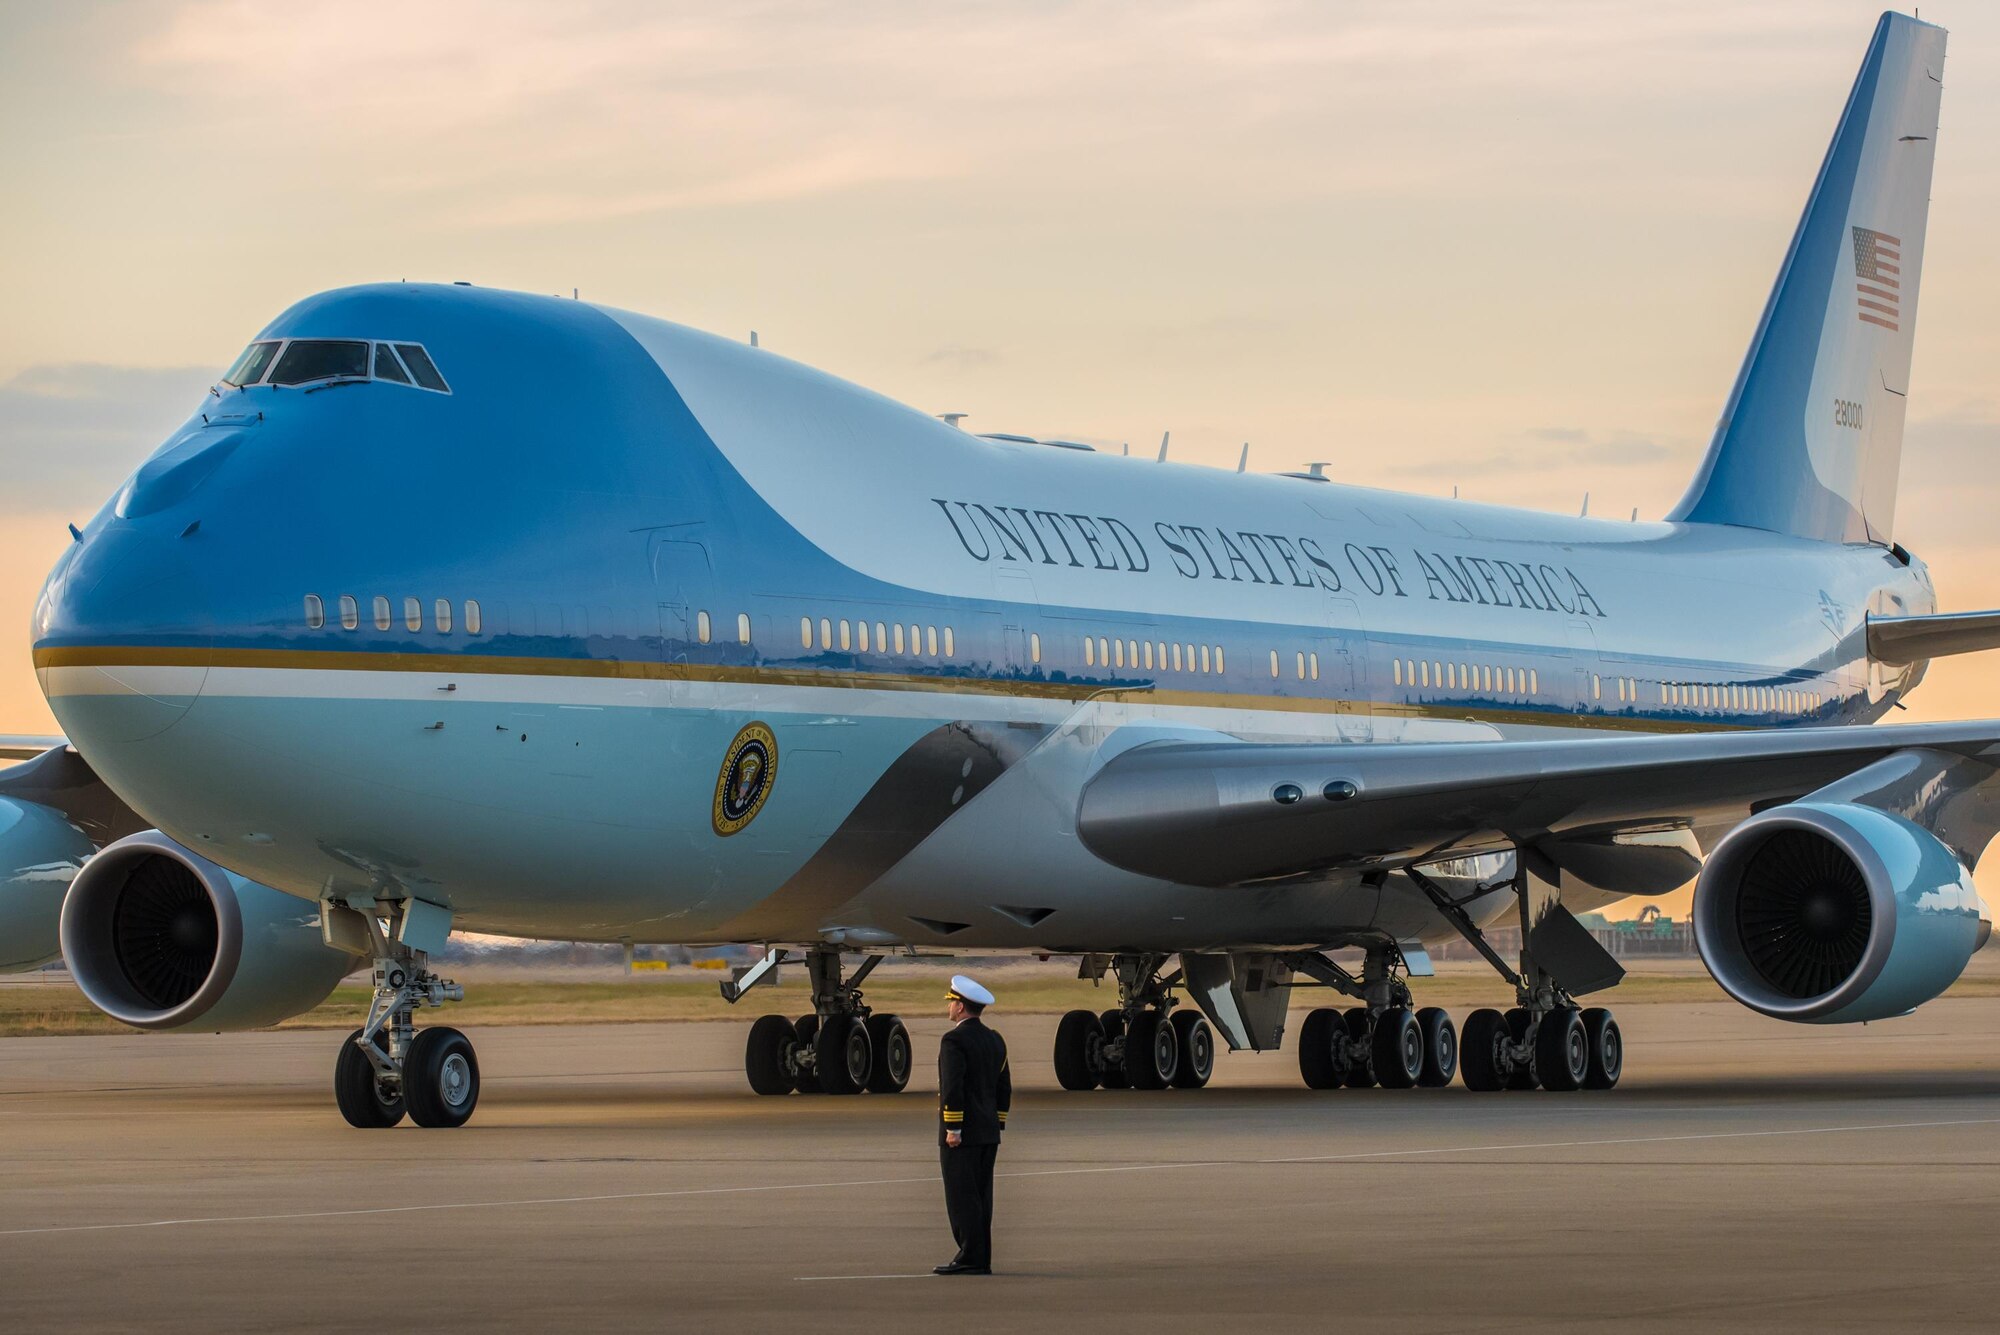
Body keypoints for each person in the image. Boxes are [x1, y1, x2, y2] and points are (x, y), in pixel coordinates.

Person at [934, 973, 1009, 1276]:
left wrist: (953, 1128)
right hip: (988, 1131)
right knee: (981, 1197)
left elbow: (953, 1087)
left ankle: (971, 1257)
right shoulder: (995, 1039)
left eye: (952, 1002)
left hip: (962, 1134)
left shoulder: (954, 1039)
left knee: (961, 1197)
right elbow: (1004, 1087)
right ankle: (979, 1256)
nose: (949, 1007)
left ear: (961, 1007)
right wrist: (997, 1122)